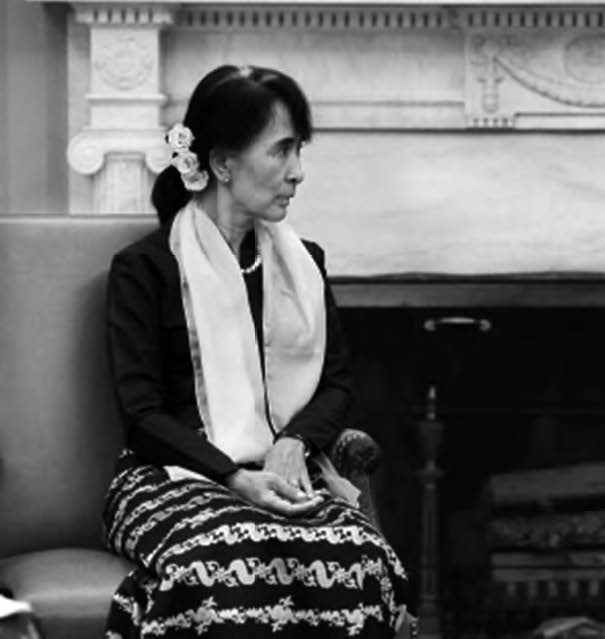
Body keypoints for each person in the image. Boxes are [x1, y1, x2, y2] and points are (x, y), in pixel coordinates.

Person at [103, 64, 412, 638]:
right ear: (222, 164)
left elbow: (337, 382)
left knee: (359, 560)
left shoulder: (306, 264)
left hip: (288, 476)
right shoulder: (145, 270)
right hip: (168, 478)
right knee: (226, 562)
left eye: (300, 151)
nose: (298, 173)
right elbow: (140, 415)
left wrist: (293, 444)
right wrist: (232, 477)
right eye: (282, 151)